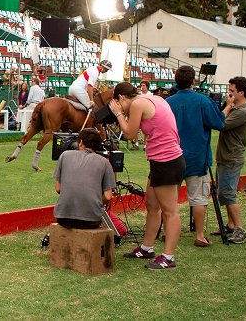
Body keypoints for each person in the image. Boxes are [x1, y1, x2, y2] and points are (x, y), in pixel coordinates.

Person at [109, 82, 185, 270]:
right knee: (152, 205)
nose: (122, 109)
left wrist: (119, 114)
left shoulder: (137, 104)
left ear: (121, 98)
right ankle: (147, 248)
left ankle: (168, 257)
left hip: (166, 161)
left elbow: (129, 133)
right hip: (163, 159)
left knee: (170, 210)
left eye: (118, 104)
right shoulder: (154, 98)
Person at [166, 66, 225, 248]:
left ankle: (168, 232)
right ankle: (199, 235)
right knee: (198, 197)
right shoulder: (203, 101)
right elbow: (218, 123)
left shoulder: (168, 102)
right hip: (196, 157)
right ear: (193, 81)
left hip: (171, 156)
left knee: (168, 199)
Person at [215, 76, 246, 244]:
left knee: (228, 194)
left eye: (232, 91)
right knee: (223, 193)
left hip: (231, 158)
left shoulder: (242, 111)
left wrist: (229, 105)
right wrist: (229, 105)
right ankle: (230, 226)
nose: (228, 94)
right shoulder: (235, 109)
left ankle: (239, 229)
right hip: (226, 157)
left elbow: (220, 123)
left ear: (241, 93)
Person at [53, 128, 116, 229]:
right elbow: (108, 196)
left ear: (81, 142)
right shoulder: (104, 162)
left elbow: (58, 189)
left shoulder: (64, 155)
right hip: (91, 221)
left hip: (63, 218)